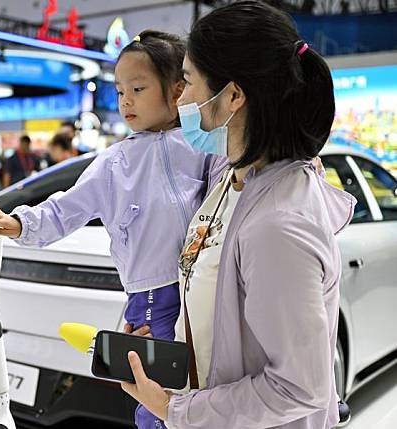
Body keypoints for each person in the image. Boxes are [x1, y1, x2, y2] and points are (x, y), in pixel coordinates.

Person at [119, 3, 356, 429]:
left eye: (188, 83)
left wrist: (175, 410)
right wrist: (172, 345)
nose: (181, 99)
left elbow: (298, 387)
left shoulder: (278, 225)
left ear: (233, 95)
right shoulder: (234, 180)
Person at [0, 30, 227, 429]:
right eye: (119, 91)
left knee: (204, 383)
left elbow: (232, 189)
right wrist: (21, 223)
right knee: (155, 386)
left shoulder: (203, 145)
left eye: (138, 88)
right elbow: (66, 209)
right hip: (153, 295)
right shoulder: (114, 162)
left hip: (207, 289)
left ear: (178, 89)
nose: (125, 100)